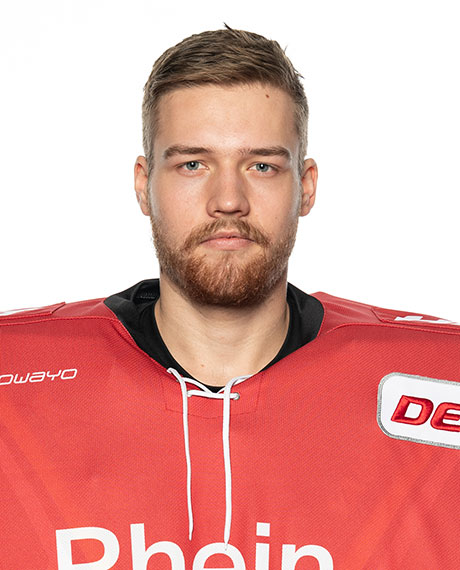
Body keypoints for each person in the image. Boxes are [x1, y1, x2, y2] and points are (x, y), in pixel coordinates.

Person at [1, 26, 459, 570]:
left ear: (305, 186)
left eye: (261, 165)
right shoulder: (12, 374)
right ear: (144, 184)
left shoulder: (440, 377)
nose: (227, 200)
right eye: (192, 164)